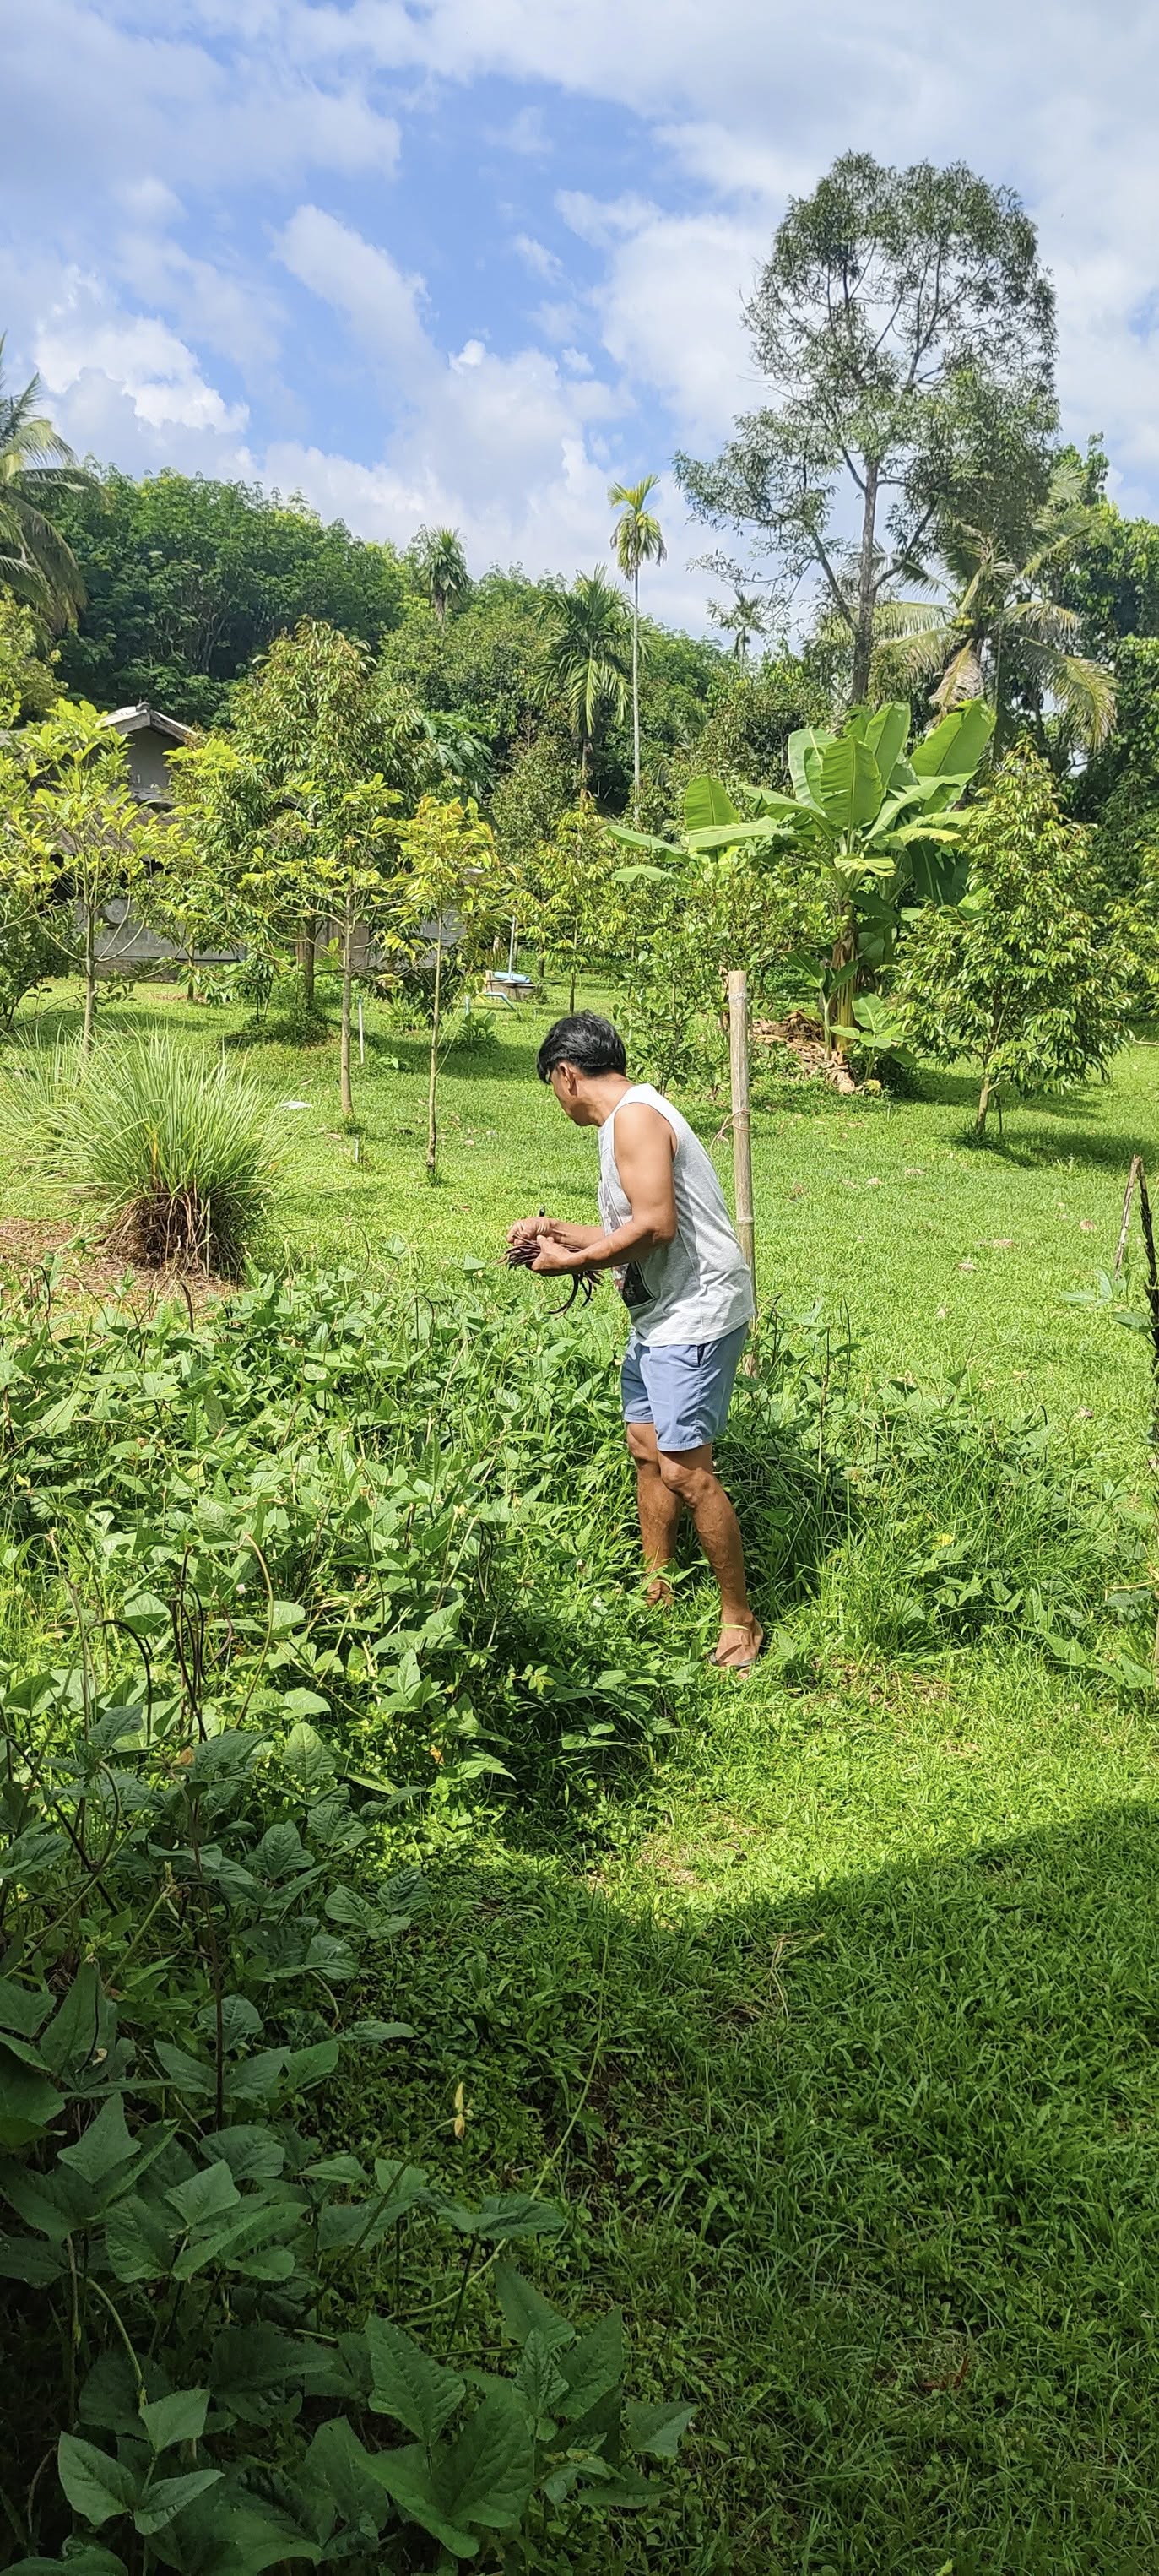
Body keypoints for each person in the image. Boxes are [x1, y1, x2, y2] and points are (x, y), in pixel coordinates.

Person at [509, 1011, 762, 1672]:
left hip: (696, 1311)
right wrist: (556, 1230)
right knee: (646, 1450)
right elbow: (631, 1228)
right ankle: (659, 1587)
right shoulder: (626, 1119)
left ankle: (739, 1619)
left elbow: (655, 1226)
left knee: (684, 1468)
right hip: (660, 1314)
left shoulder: (636, 1118)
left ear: (565, 1075)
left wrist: (571, 1264)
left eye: (552, 1087)